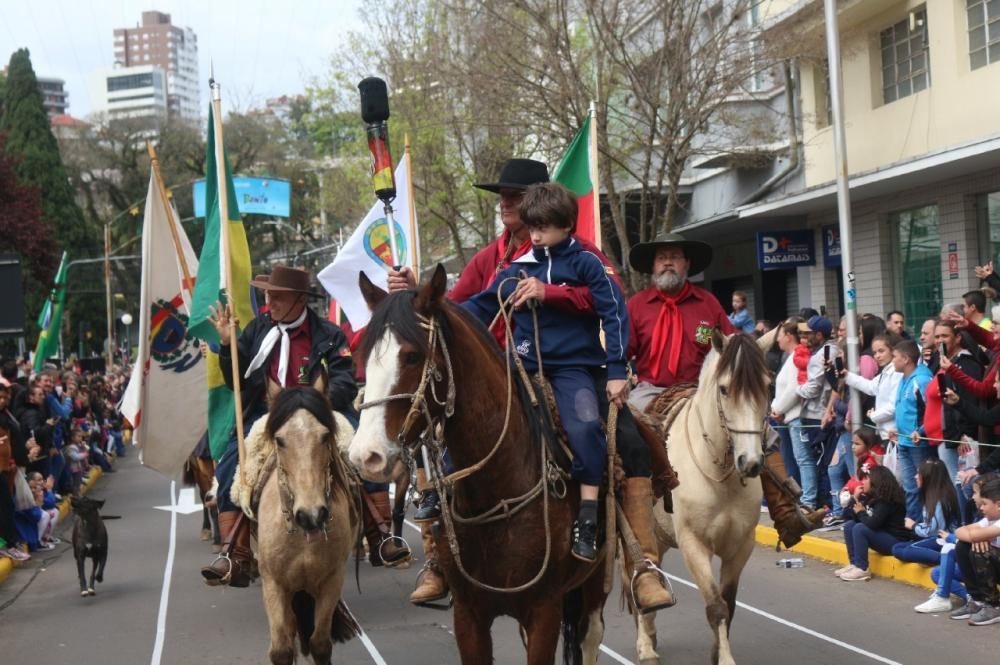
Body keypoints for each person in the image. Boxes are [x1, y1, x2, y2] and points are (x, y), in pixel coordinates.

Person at [386, 159, 618, 606]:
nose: (506, 204)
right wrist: (418, 295)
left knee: (617, 433)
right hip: (498, 371)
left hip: (571, 366)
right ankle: (439, 549)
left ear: (539, 203)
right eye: (504, 197)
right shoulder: (490, 259)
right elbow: (456, 309)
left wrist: (553, 294)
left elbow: (608, 299)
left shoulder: (581, 251)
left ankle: (636, 548)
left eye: (516, 196)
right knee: (441, 420)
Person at [461, 182, 675, 612]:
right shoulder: (519, 264)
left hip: (575, 370)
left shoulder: (587, 261)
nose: (534, 236)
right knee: (474, 424)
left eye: (542, 229)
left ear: (566, 225)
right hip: (520, 365)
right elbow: (480, 306)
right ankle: (442, 526)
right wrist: (423, 307)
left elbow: (612, 310)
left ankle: (590, 517)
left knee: (585, 429)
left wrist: (616, 370)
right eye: (531, 228)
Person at [627, 232, 821, 548]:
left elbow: (734, 349)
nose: (668, 263)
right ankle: (627, 510)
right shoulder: (637, 306)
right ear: (653, 265)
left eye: (674, 256)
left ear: (686, 263)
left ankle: (785, 512)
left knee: (764, 431)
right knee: (626, 431)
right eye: (662, 257)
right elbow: (624, 351)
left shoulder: (708, 303)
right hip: (652, 388)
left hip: (703, 391)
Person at [200, 265, 363, 588]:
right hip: (267, 415)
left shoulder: (330, 334)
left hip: (319, 412)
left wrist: (316, 401)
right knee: (232, 462)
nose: (269, 302)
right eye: (267, 295)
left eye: (277, 296)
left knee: (358, 451)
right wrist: (228, 345)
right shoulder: (256, 330)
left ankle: (381, 531)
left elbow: (346, 379)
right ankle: (235, 552)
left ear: (299, 299)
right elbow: (239, 382)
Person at [891, 459, 962, 612]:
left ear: (929, 478)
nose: (916, 477)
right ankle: (939, 561)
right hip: (937, 540)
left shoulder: (940, 499)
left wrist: (913, 525)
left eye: (919, 474)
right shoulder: (934, 495)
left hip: (943, 541)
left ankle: (944, 562)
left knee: (906, 550)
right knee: (898, 548)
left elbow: (931, 531)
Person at [789, 315, 838, 511]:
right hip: (818, 413)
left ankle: (821, 505)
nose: (804, 336)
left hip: (816, 415)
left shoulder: (822, 355)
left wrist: (794, 389)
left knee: (819, 462)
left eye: (808, 333)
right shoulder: (824, 351)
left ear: (819, 335)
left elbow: (812, 388)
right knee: (819, 462)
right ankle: (821, 504)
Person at [837, 465, 910, 581]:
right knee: (850, 525)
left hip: (895, 541)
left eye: (866, 479)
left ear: (876, 481)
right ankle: (854, 564)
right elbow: (846, 517)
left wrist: (861, 513)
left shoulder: (886, 501)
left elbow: (872, 524)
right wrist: (854, 498)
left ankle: (862, 568)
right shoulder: (870, 498)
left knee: (860, 528)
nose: (862, 482)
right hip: (883, 536)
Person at [891, 340, 935, 521]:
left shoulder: (922, 380)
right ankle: (913, 525)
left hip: (919, 444)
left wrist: (922, 431)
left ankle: (928, 525)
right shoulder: (904, 379)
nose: (892, 361)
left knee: (924, 486)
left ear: (906, 359)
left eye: (894, 357)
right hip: (904, 441)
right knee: (910, 486)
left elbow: (932, 411)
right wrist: (897, 428)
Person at [950, 476, 1000, 625]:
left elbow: (972, 534)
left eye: (985, 504)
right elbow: (959, 531)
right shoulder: (990, 519)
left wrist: (978, 537)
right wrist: (979, 538)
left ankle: (994, 606)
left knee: (980, 551)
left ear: (998, 505)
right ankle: (978, 600)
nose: (981, 507)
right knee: (962, 546)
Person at [843, 333, 902, 445]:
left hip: (893, 432)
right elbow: (871, 386)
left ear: (892, 350)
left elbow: (893, 406)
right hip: (886, 431)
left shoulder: (896, 372)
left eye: (881, 351)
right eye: (874, 352)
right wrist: (847, 375)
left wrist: (873, 415)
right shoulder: (885, 371)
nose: (877, 356)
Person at [770, 318, 804, 487]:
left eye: (780, 335)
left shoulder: (797, 356)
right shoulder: (791, 357)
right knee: (792, 457)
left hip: (792, 415)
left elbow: (793, 389)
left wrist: (777, 408)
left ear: (789, 336)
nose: (777, 339)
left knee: (801, 459)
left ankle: (806, 497)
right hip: (786, 415)